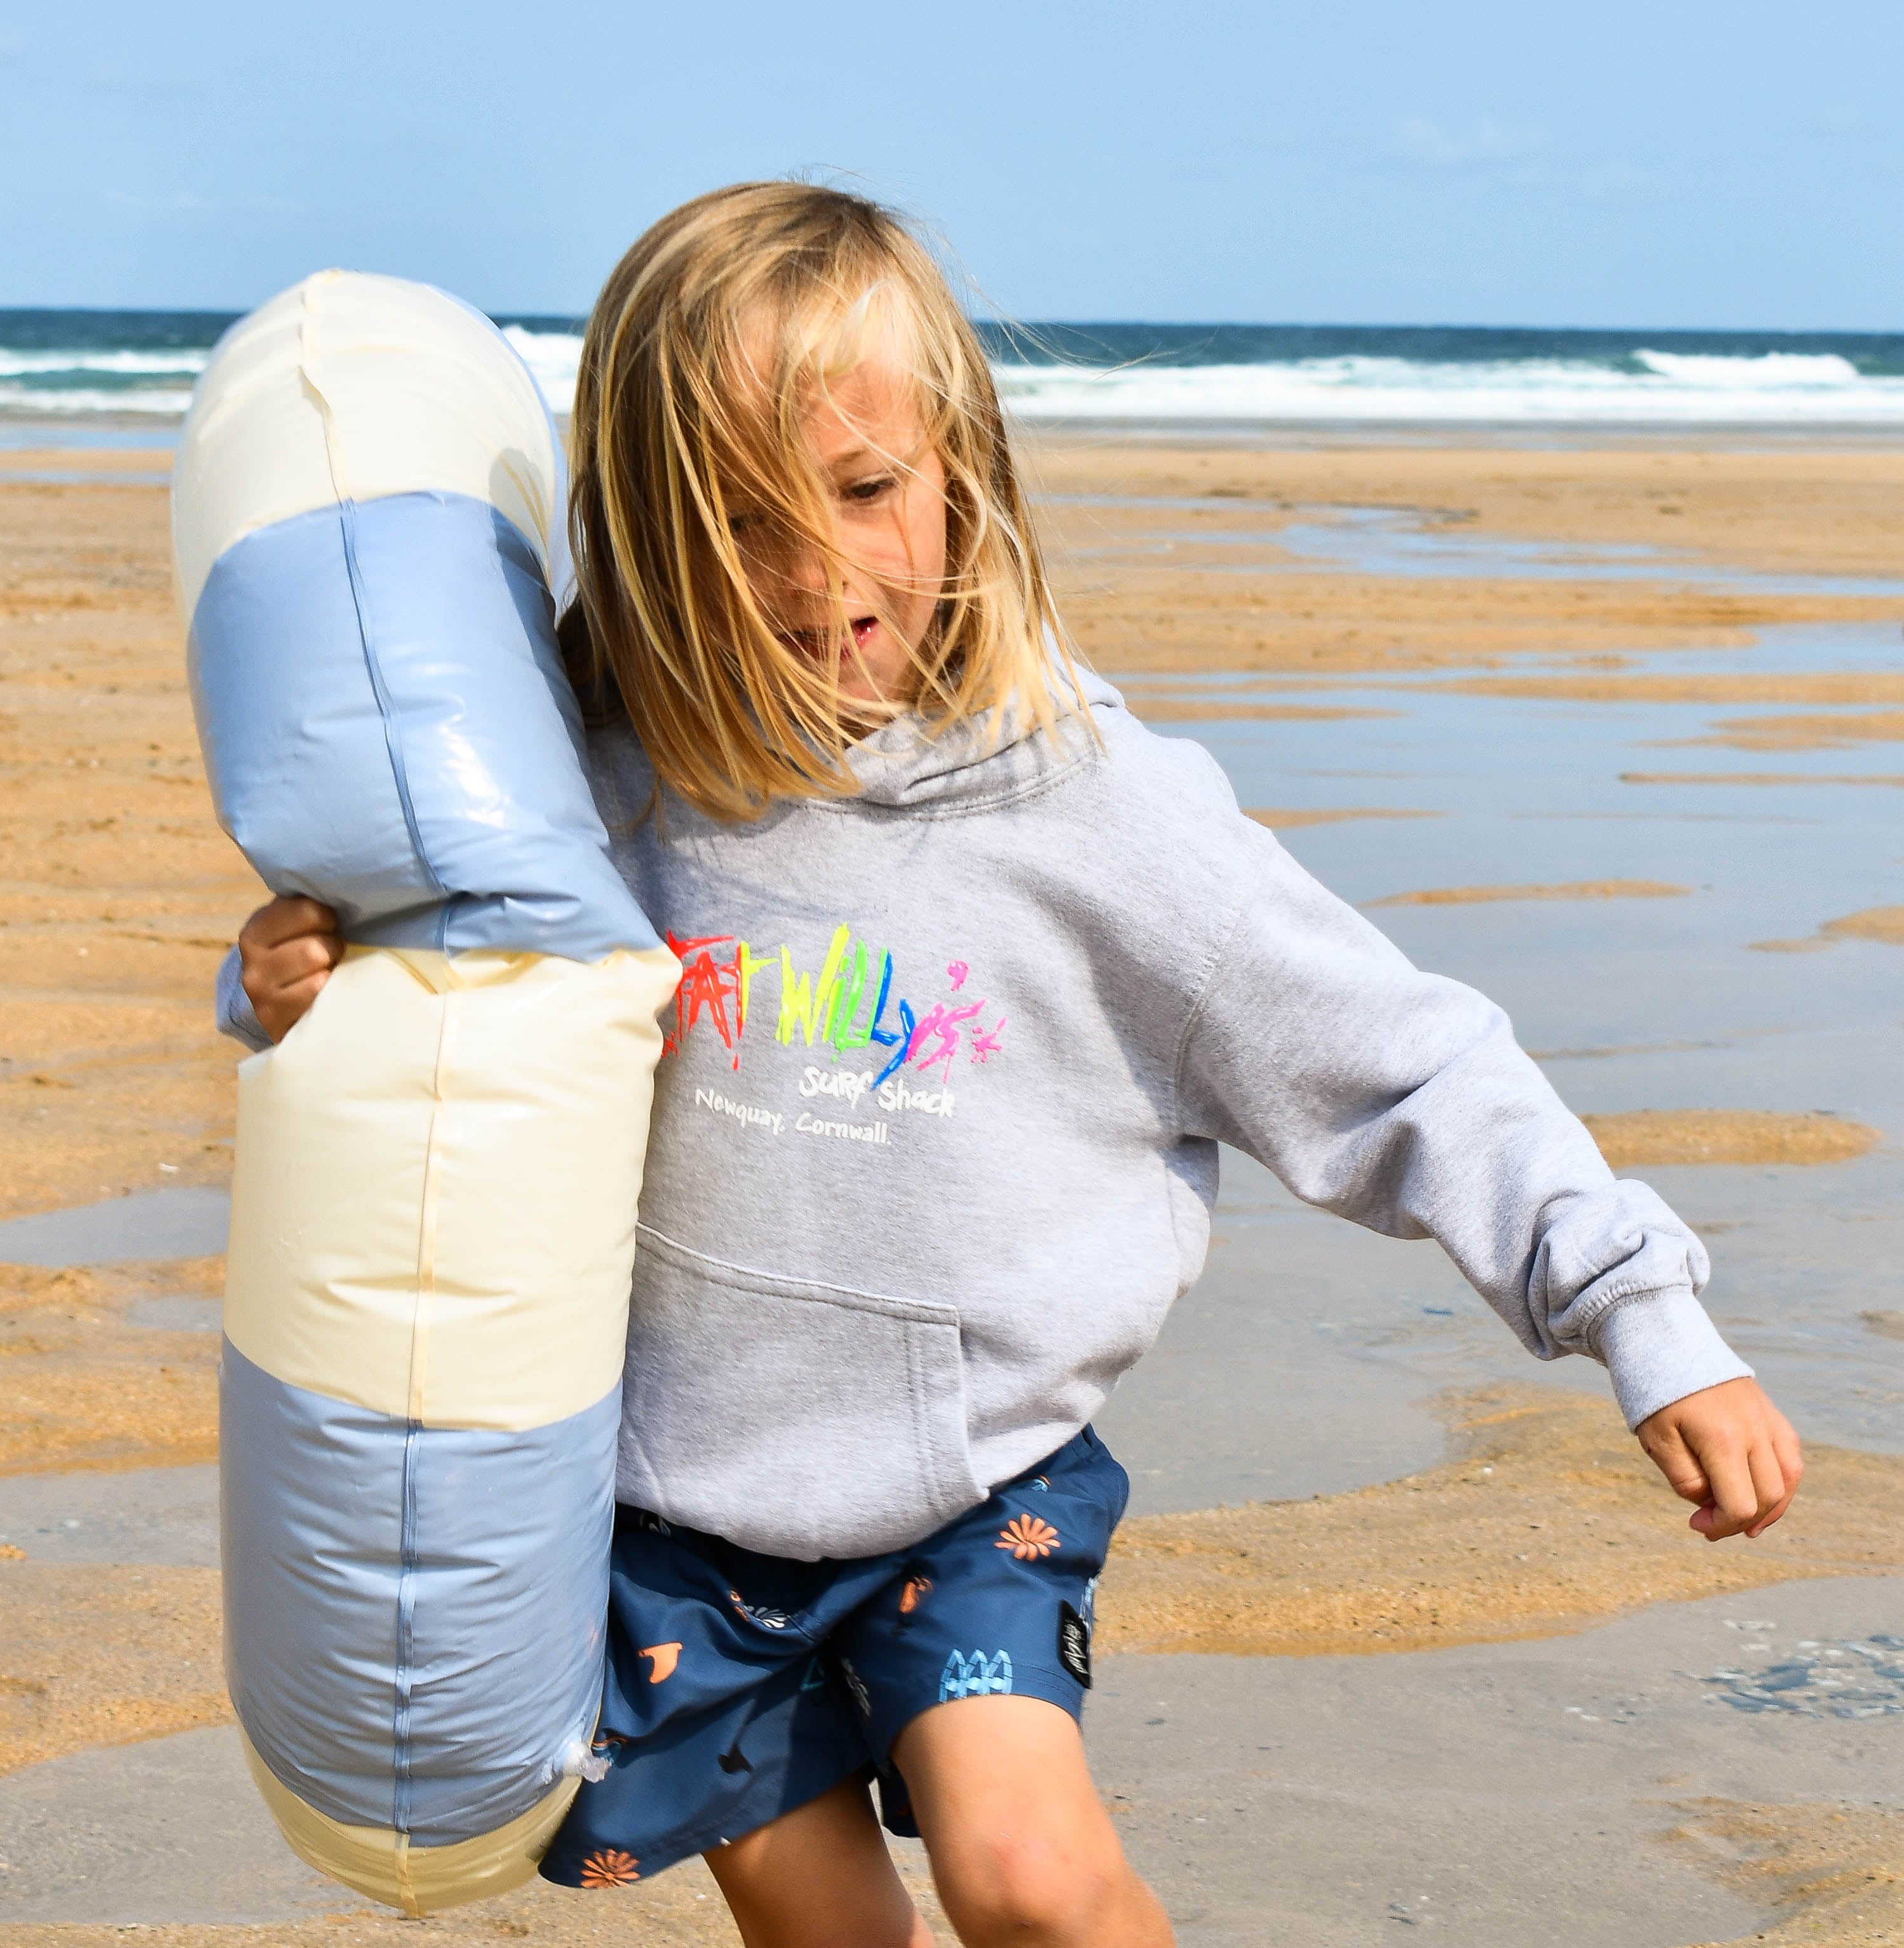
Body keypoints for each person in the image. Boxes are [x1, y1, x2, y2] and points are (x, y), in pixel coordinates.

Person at [221, 182, 1803, 1948]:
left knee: (1027, 1880)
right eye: (743, 521)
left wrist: (1638, 1315)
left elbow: (1406, 1067)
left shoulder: (1086, 805)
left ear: (958, 466)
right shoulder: (589, 783)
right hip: (668, 1508)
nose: (823, 575)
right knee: (830, 1935)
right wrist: (296, 990)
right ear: (648, 531)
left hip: (976, 1477)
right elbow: (436, 1026)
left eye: (867, 489)